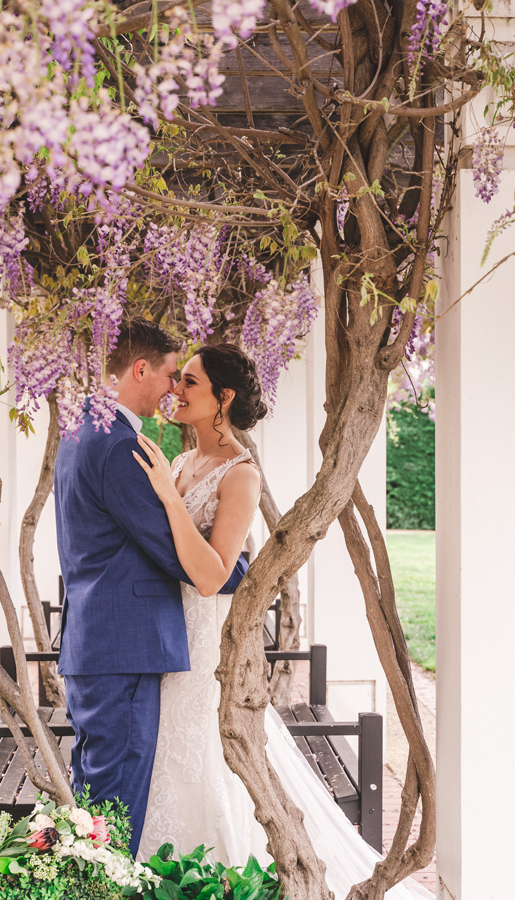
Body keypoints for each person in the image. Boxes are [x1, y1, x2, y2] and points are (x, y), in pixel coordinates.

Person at [133, 343, 434, 900]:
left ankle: (224, 879)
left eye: (190, 382)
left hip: (208, 640)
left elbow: (212, 575)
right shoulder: (179, 462)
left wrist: (169, 501)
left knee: (208, 754)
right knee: (167, 755)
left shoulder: (241, 474)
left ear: (223, 397)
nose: (176, 389)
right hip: (171, 632)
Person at [53, 319, 248, 857]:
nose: (173, 388)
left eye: (185, 379)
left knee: (95, 801)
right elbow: (173, 550)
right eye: (170, 374)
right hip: (124, 647)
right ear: (140, 369)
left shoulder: (79, 430)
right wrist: (243, 570)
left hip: (97, 640)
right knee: (113, 808)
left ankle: (87, 885)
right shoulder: (119, 445)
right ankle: (98, 890)